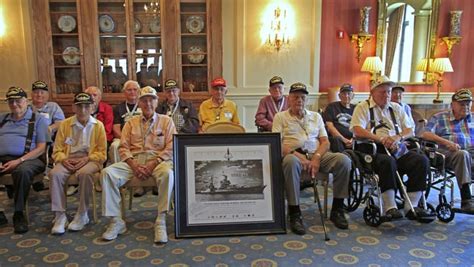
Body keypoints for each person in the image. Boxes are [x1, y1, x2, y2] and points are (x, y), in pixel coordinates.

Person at [350, 76, 434, 222]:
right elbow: (357, 130)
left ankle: (412, 205)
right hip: (373, 149)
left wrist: (398, 137)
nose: (387, 95)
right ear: (372, 92)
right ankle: (390, 206)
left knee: (421, 160)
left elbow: (410, 129)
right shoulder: (362, 107)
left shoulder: (397, 108)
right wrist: (381, 139)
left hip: (397, 146)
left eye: (389, 92)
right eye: (382, 92)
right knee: (387, 162)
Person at [272, 82, 352, 234]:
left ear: (307, 100)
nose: (299, 100)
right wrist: (300, 157)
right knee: (289, 162)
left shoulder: (316, 117)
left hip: (318, 154)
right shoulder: (280, 117)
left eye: (302, 97)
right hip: (294, 155)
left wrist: (316, 157)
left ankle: (337, 209)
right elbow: (278, 143)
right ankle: (295, 213)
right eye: (295, 97)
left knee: (344, 160)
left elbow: (325, 141)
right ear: (289, 99)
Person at [101, 86, 176, 244]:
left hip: (157, 161)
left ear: (156, 102)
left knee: (168, 174)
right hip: (133, 161)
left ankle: (160, 220)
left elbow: (171, 147)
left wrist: (152, 164)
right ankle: (116, 221)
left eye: (151, 100)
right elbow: (123, 147)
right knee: (107, 173)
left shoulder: (166, 121)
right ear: (139, 103)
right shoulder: (130, 122)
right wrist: (134, 165)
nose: (148, 103)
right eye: (144, 100)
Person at [49, 92, 107, 235]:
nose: (83, 111)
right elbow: (57, 150)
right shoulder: (65, 124)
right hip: (68, 158)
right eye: (79, 107)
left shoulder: (98, 126)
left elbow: (102, 153)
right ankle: (60, 215)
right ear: (73, 108)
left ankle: (82, 213)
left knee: (84, 173)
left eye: (86, 107)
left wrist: (87, 159)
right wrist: (63, 159)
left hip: (90, 159)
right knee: (54, 174)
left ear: (92, 108)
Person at [0, 87, 48, 233]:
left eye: (18, 101)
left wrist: (19, 160)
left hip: (30, 159)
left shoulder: (39, 119)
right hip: (3, 158)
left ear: (26, 101)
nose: (15, 104)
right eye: (11, 101)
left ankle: (19, 214)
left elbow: (41, 148)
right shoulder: (2, 119)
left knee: (23, 171)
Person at [421, 88, 474, 213]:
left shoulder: (472, 118)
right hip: (447, 153)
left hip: (471, 152)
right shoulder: (440, 117)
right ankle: (466, 199)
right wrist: (447, 142)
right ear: (452, 105)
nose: (465, 107)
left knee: (466, 153)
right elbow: (425, 134)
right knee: (462, 154)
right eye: (462, 104)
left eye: (468, 103)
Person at [323, 83, 356, 152]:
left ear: (353, 95)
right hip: (338, 139)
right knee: (336, 140)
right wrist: (343, 139)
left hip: (354, 139)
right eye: (344, 93)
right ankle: (344, 160)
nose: (346, 96)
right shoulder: (332, 107)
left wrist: (354, 140)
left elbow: (360, 127)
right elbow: (330, 127)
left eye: (349, 93)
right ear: (339, 96)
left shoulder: (357, 108)